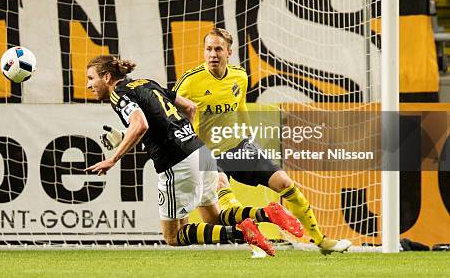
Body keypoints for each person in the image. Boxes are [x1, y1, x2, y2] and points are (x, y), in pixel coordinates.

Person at [173, 28, 352, 254]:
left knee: (285, 183)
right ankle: (254, 239)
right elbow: (171, 116)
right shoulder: (190, 82)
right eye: (208, 49)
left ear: (229, 51)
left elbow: (240, 107)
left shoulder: (239, 76)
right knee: (220, 201)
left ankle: (321, 241)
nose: (212, 54)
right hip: (207, 155)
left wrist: (250, 137)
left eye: (218, 49)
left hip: (239, 146)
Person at [84, 55, 278, 254]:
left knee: (173, 235)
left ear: (107, 77)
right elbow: (189, 107)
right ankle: (265, 213)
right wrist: (180, 135)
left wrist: (112, 159)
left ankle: (244, 233)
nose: (89, 85)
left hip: (177, 162)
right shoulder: (147, 83)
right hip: (199, 150)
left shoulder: (118, 93)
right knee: (213, 219)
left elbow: (140, 124)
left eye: (91, 78)